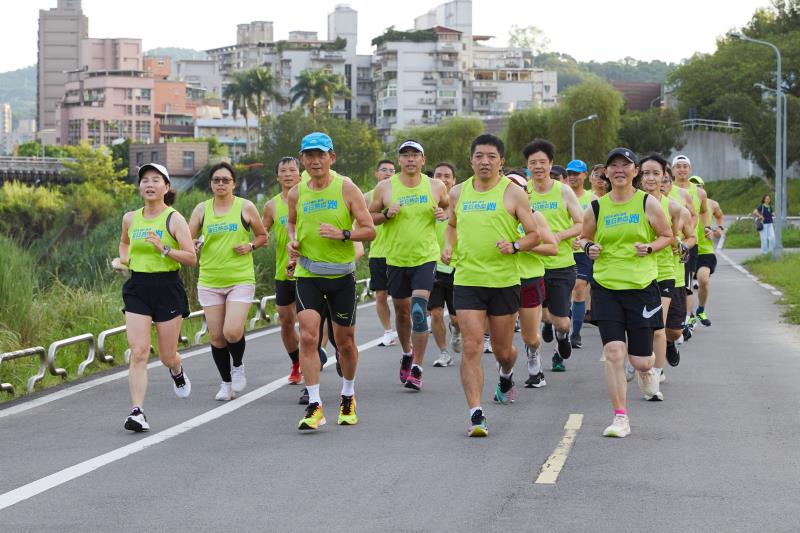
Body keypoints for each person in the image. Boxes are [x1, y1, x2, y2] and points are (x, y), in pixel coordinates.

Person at [442, 134, 541, 437]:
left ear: (501, 161)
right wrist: (448, 246)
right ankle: (476, 413)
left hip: (503, 281)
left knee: (502, 350)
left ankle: (507, 373)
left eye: (491, 157)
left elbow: (534, 234)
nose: (485, 162)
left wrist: (515, 244)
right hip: (468, 279)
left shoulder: (513, 194)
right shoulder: (458, 193)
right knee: (471, 346)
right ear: (470, 160)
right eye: (479, 156)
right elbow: (451, 225)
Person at [578, 148, 672, 438]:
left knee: (641, 360)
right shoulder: (596, 207)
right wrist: (587, 248)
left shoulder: (648, 203)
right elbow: (582, 238)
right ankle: (620, 417)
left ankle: (646, 370)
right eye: (613, 166)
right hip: (606, 287)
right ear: (606, 173)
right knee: (614, 352)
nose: (619, 170)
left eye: (625, 165)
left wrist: (650, 247)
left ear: (635, 172)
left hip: (642, 288)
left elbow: (667, 236)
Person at [286, 132, 375, 431]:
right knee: (309, 337)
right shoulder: (297, 192)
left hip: (341, 276)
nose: (315, 160)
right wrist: (292, 242)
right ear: (302, 159)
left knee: (345, 343)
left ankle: (347, 395)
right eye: (309, 155)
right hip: (308, 274)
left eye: (320, 154)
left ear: (331, 157)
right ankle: (315, 405)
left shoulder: (347, 189)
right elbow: (291, 223)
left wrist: (343, 234)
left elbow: (369, 230)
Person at [114, 163, 197, 432]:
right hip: (138, 286)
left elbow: (190, 257)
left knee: (166, 355)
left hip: (167, 287)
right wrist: (124, 259)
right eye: (145, 180)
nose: (149, 185)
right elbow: (125, 242)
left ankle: (177, 370)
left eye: (156, 180)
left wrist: (164, 250)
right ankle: (137, 411)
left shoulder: (174, 219)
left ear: (167, 187)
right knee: (138, 352)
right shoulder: (130, 218)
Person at [368, 140, 449, 391]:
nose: (410, 159)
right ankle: (406, 353)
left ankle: (418, 367)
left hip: (425, 258)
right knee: (402, 314)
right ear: (399, 160)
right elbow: (369, 218)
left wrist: (443, 215)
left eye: (415, 155)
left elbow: (448, 207)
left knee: (417, 310)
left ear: (423, 160)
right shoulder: (384, 188)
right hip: (395, 259)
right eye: (405, 155)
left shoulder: (435, 185)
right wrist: (386, 215)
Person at [188, 162, 267, 400]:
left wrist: (251, 245)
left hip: (240, 278)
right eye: (216, 180)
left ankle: (238, 365)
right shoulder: (202, 209)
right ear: (211, 184)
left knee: (232, 331)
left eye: (226, 180)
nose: (221, 184)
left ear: (233, 183)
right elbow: (187, 239)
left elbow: (263, 236)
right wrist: (192, 244)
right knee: (217, 337)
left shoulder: (246, 206)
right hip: (210, 279)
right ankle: (225, 383)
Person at [525, 139, 583, 372]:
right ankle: (538, 365)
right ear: (527, 166)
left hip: (560, 265)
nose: (538, 166)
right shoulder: (522, 191)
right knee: (537, 319)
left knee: (560, 320)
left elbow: (581, 224)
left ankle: (562, 336)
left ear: (550, 165)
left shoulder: (564, 191)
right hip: (530, 265)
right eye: (533, 162)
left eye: (542, 162)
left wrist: (559, 236)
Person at [636, 153, 689, 391]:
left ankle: (661, 356)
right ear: (638, 175)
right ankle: (646, 364)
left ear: (664, 177)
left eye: (656, 174)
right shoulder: (630, 202)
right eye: (646, 173)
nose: (650, 178)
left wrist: (680, 246)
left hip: (666, 269)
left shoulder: (675, 208)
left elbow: (676, 239)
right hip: (636, 271)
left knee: (666, 327)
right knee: (644, 323)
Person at [506, 171, 558, 388]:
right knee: (502, 337)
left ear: (526, 194)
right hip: (502, 280)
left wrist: (525, 246)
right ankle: (504, 376)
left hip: (530, 279)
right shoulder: (492, 216)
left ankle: (533, 356)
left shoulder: (535, 216)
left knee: (530, 337)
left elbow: (553, 247)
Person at [262, 156, 305, 385]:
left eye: (292, 170)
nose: (288, 174)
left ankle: (313, 356)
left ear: (300, 174)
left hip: (309, 270)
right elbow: (261, 231)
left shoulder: (309, 197)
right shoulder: (271, 205)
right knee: (286, 320)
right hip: (284, 271)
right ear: (277, 176)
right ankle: (297, 362)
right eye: (283, 170)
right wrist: (259, 239)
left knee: (309, 321)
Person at [660, 165, 696, 368]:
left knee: (673, 330)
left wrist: (683, 245)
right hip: (646, 276)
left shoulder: (677, 210)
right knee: (651, 326)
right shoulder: (640, 206)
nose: (660, 183)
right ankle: (654, 370)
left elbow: (691, 237)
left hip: (674, 275)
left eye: (665, 179)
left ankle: (668, 343)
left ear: (670, 183)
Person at [671, 156, 712, 329]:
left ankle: (685, 320)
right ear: (672, 170)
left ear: (690, 169)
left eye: (685, 166)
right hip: (667, 241)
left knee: (686, 282)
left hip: (688, 243)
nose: (681, 169)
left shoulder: (699, 192)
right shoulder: (665, 188)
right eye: (678, 166)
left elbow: (702, 212)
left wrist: (701, 227)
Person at [429, 162, 463, 368]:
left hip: (457, 266)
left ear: (454, 180)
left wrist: (449, 216)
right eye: (438, 175)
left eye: (447, 175)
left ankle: (456, 330)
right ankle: (443, 352)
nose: (443, 179)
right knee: (434, 312)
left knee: (457, 317)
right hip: (432, 265)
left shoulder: (460, 203)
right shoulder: (428, 202)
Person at [366, 159, 398, 347]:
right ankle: (387, 331)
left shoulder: (400, 194)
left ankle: (406, 326)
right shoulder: (366, 197)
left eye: (392, 170)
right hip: (377, 252)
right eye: (384, 170)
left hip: (399, 251)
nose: (388, 173)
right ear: (376, 173)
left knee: (402, 296)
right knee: (381, 294)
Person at [565, 159, 595, 349]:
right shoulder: (562, 194)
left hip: (582, 251)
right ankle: (557, 325)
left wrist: (587, 241)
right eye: (570, 173)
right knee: (563, 293)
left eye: (577, 173)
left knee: (579, 288)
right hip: (563, 250)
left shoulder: (592, 199)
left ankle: (575, 334)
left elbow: (598, 227)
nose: (573, 177)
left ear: (585, 175)